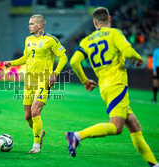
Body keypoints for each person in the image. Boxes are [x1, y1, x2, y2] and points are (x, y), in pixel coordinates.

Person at [66, 7, 158, 167]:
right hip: (117, 84)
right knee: (116, 127)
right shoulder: (114, 33)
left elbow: (74, 61)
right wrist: (137, 57)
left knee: (135, 127)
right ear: (109, 20)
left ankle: (154, 164)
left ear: (95, 23)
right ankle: (76, 136)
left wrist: (85, 80)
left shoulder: (86, 41)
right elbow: (128, 51)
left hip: (104, 87)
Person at [4, 14, 67, 153]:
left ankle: (36, 146)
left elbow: (63, 57)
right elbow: (26, 57)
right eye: (29, 23)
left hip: (43, 81)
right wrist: (12, 63)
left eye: (32, 24)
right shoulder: (28, 39)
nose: (29, 26)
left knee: (35, 112)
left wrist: (55, 74)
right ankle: (40, 132)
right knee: (27, 116)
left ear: (40, 25)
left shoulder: (51, 40)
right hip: (29, 81)